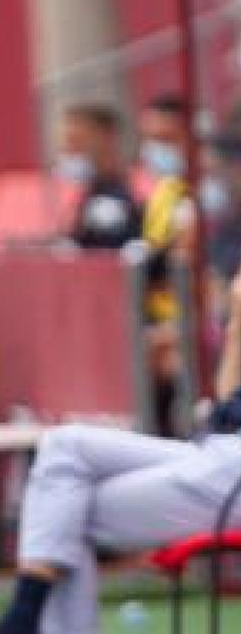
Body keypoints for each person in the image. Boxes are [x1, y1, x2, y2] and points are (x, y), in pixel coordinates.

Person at [0, 266, 241, 634]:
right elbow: (227, 397)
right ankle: (25, 615)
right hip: (220, 452)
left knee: (68, 513)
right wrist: (237, 323)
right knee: (65, 447)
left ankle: (25, 617)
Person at [135, 94, 196, 436]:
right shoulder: (162, 192)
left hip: (192, 328)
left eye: (166, 139)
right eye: (150, 139)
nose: (155, 149)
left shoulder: (208, 192)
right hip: (161, 325)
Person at [54, 104, 141, 250]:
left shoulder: (138, 189)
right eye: (68, 143)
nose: (69, 151)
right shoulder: (76, 193)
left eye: (77, 141)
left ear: (106, 136)